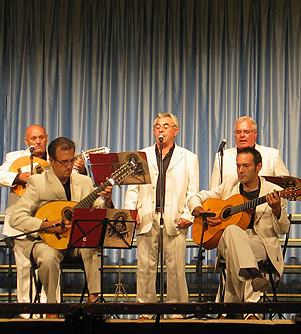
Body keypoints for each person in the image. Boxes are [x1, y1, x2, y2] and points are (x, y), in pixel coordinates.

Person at [9, 137, 113, 306]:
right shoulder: (38, 182)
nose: (69, 166)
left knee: (91, 246)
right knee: (48, 257)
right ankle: (52, 306)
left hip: (74, 240)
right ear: (51, 161)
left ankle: (94, 299)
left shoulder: (84, 181)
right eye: (64, 162)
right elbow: (16, 218)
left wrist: (107, 200)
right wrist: (47, 226)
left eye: (71, 161)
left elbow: (98, 210)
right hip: (45, 241)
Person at [189, 147, 290, 307]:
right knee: (232, 230)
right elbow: (196, 197)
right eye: (238, 166)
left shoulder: (274, 191)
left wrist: (276, 209)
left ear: (258, 167)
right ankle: (253, 303)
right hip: (228, 239)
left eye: (246, 166)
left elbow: (283, 229)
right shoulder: (230, 183)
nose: (240, 170)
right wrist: (200, 212)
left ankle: (229, 308)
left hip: (261, 242)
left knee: (235, 254)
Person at [124, 112, 199, 308]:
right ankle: (145, 310)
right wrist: (131, 212)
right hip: (147, 216)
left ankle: (177, 311)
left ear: (176, 131)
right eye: (157, 126)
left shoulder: (189, 157)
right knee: (145, 268)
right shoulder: (142, 155)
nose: (161, 130)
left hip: (175, 219)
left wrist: (188, 215)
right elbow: (132, 188)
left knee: (176, 270)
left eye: (166, 126)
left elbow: (193, 191)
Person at [0, 124, 50, 303]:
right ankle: (26, 308)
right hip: (20, 220)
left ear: (46, 138)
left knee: (49, 265)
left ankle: (50, 307)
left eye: (41, 137)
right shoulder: (15, 158)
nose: (38, 142)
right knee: (23, 266)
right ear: (26, 141)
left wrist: (80, 168)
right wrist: (17, 177)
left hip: (47, 219)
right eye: (33, 138)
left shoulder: (54, 157)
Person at [209, 116, 289, 188]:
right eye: (238, 132)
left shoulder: (272, 155)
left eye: (246, 132)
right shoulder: (222, 157)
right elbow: (213, 189)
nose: (242, 135)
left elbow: (286, 185)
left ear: (255, 134)